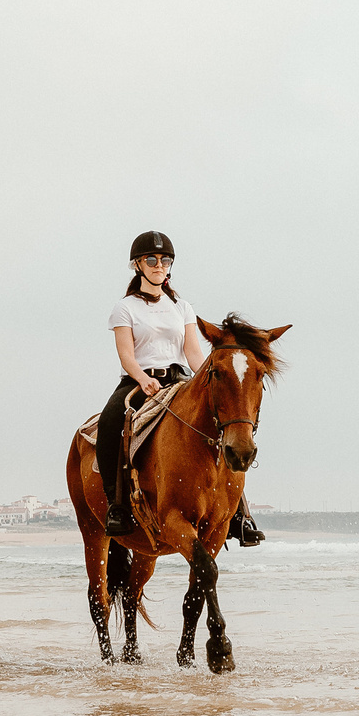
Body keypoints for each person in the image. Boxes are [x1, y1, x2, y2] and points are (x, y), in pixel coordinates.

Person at [97, 230, 263, 546]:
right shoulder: (125, 308)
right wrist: (142, 378)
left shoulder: (182, 307)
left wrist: (213, 378)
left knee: (225, 429)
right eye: (151, 259)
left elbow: (192, 353)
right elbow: (126, 354)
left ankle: (239, 514)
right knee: (109, 422)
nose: (159, 265)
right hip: (138, 381)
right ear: (137, 264)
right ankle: (116, 506)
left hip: (180, 381)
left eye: (165, 259)